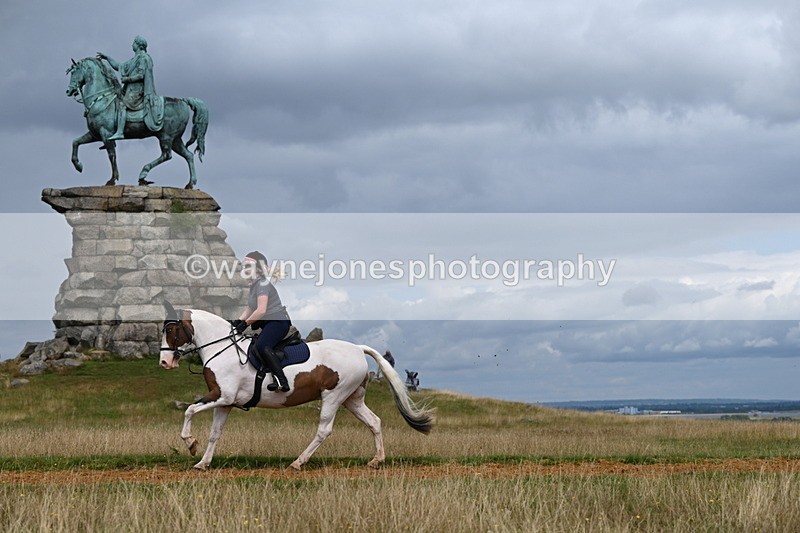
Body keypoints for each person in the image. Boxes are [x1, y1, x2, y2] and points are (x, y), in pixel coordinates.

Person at [231, 251, 292, 392]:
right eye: (243, 267)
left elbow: (261, 310)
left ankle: (281, 380)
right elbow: (250, 308)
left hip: (277, 323)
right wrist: (236, 322)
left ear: (258, 269)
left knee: (262, 345)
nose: (244, 270)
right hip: (269, 323)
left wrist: (245, 324)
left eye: (247, 267)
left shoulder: (263, 284)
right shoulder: (255, 286)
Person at [96, 35, 164, 141]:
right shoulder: (134, 59)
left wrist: (127, 79)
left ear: (138, 45)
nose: (132, 44)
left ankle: (119, 132)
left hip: (138, 91)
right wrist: (107, 58)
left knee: (122, 104)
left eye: (134, 42)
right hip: (130, 90)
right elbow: (119, 66)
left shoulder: (143, 58)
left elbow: (141, 75)